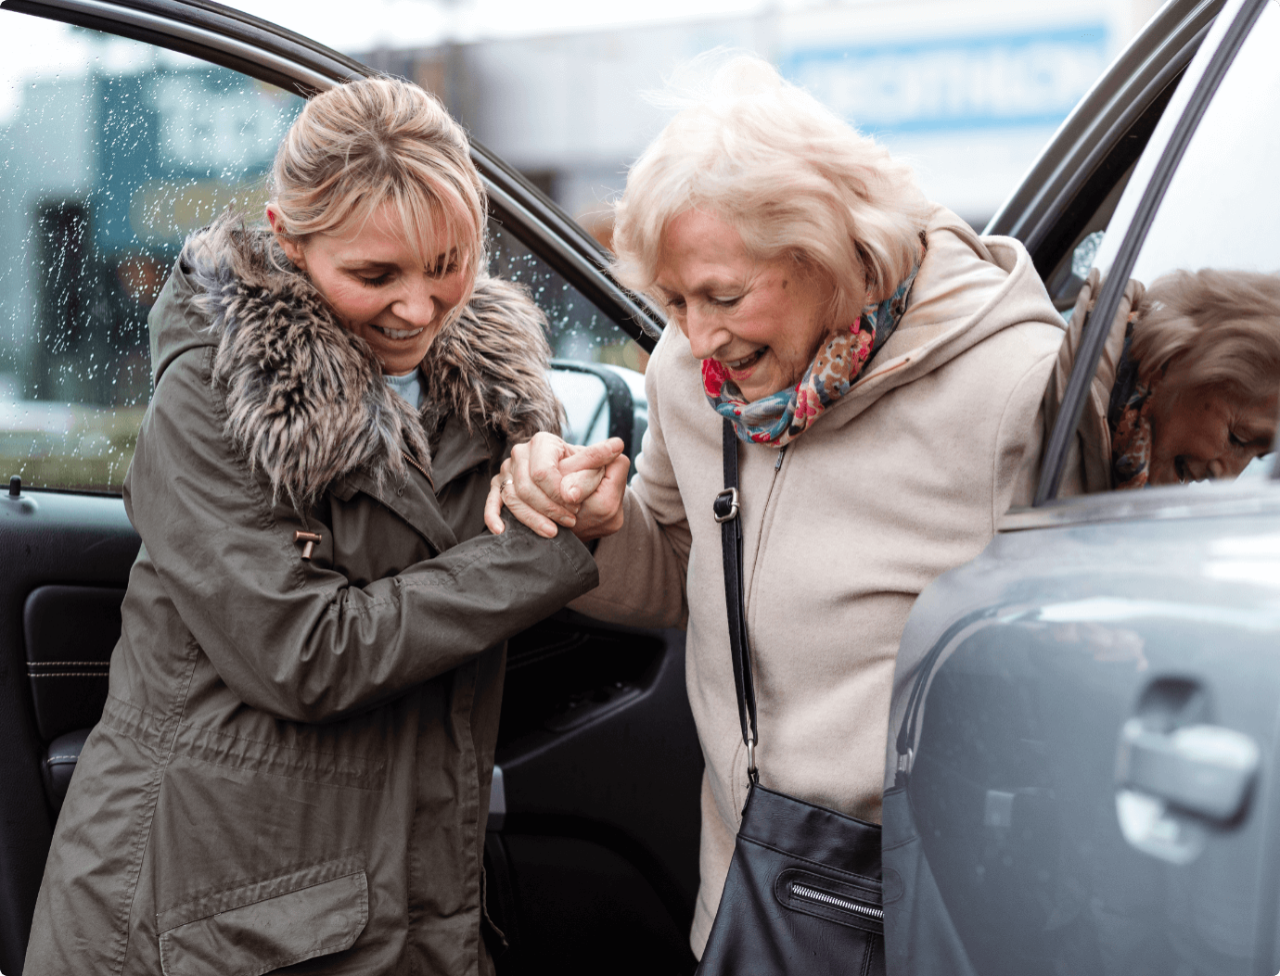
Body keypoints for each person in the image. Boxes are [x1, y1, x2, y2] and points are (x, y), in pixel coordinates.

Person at [485, 54, 1067, 959]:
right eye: (674, 300)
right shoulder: (693, 373)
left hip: (925, 918)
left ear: (834, 250)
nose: (698, 337)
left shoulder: (1016, 387)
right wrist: (600, 528)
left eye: (724, 296)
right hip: (746, 898)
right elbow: (682, 571)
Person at [24, 77, 597, 976]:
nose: (419, 309)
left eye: (449, 263)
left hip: (400, 892)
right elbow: (305, 653)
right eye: (376, 276)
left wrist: (564, 488)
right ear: (287, 239)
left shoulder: (493, 388)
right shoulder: (215, 394)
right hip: (201, 910)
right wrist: (539, 550)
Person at [1054, 267, 1280, 492]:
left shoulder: (1131, 478)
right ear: (1185, 356)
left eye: (1258, 457)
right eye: (1237, 438)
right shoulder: (1040, 397)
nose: (1228, 477)